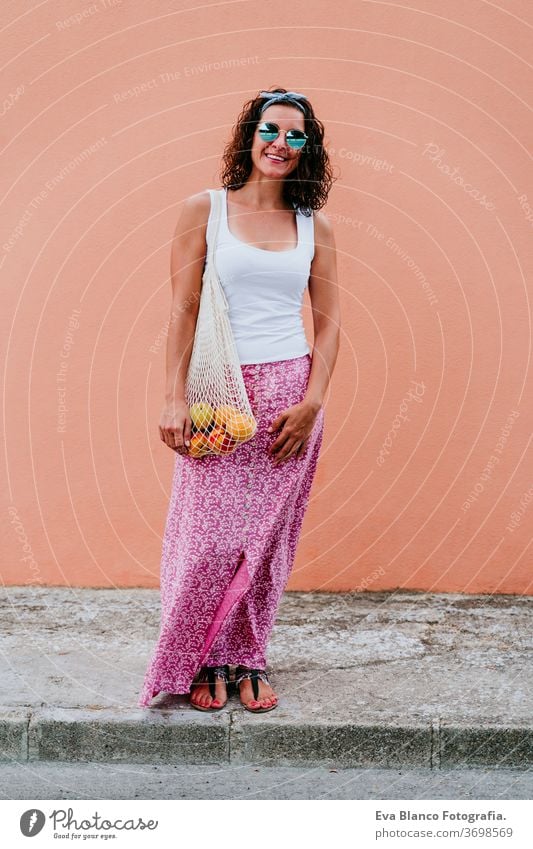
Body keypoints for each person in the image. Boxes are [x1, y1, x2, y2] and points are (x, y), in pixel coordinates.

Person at [138, 87, 340, 713]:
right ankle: (195, 656)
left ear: (308, 148)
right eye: (271, 130)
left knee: (266, 540)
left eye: (296, 135)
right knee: (207, 538)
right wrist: (173, 398)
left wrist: (313, 402)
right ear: (248, 138)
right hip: (219, 391)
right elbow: (183, 309)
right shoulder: (206, 210)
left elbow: (330, 322)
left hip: (288, 395)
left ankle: (243, 656)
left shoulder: (314, 225)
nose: (282, 143)